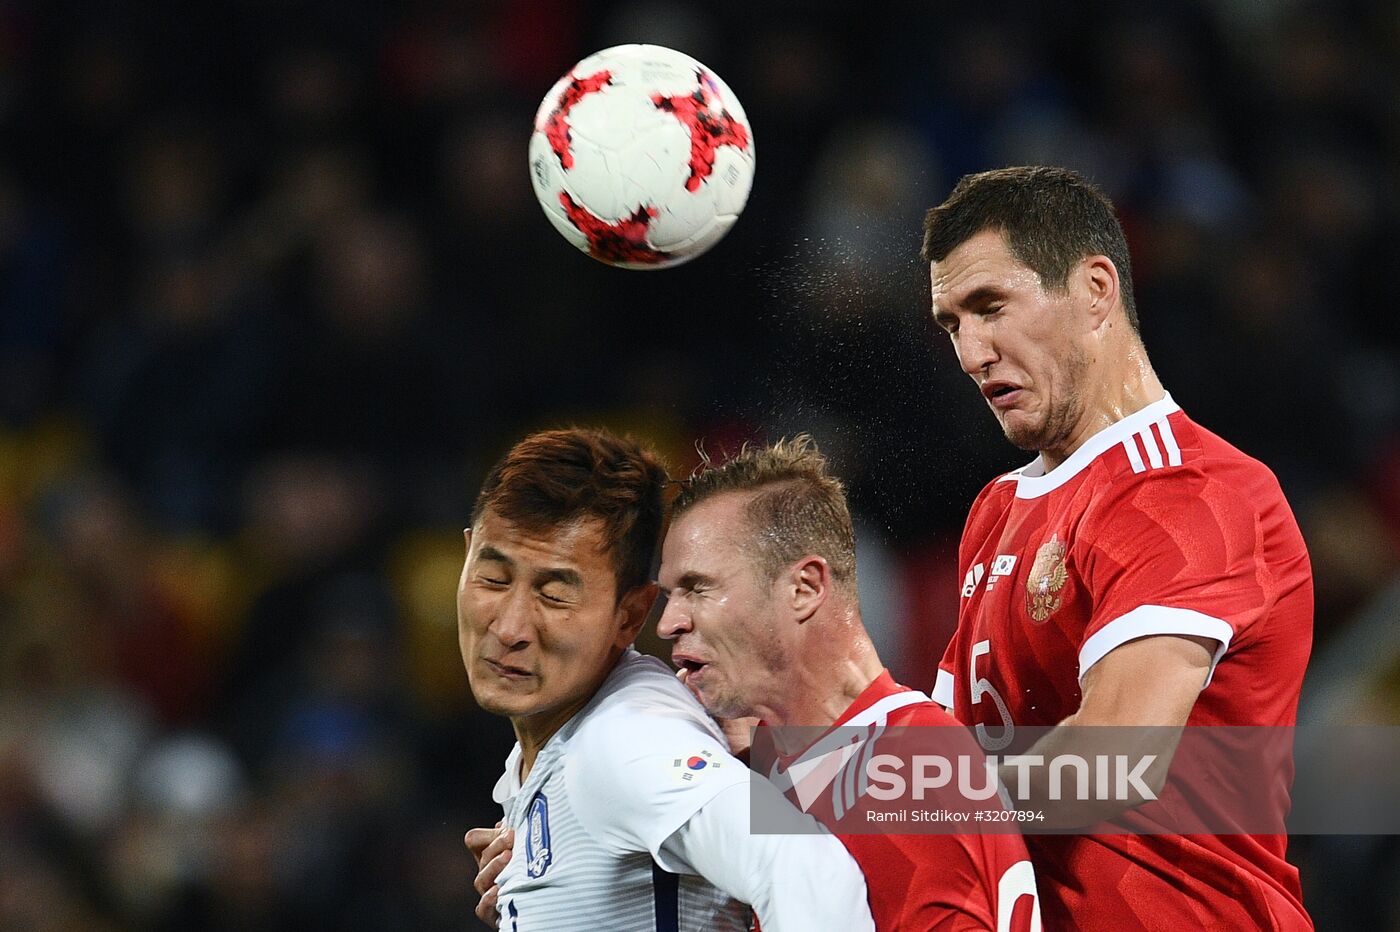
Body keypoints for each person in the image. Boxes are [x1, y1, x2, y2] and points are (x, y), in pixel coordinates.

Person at [921, 166, 1313, 929]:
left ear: (1096, 289)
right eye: (952, 325)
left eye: (991, 308)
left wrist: (888, 803)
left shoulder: (1192, 489)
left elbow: (1109, 763)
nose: (971, 353)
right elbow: (944, 747)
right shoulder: (997, 509)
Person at [460, 428, 875, 931]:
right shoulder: (564, 742)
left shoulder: (627, 739)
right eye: (494, 580)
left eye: (555, 596)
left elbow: (809, 871)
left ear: (630, 615)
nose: (509, 629)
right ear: (467, 555)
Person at [656, 436, 1041, 931]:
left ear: (805, 588)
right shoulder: (776, 759)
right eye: (669, 594)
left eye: (698, 589)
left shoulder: (905, 780)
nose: (668, 623)